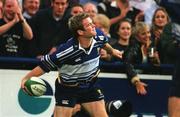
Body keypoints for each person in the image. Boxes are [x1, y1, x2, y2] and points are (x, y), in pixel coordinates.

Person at [21, 13, 123, 117]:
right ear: (80, 32)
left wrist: (112, 51)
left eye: (92, 23)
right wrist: (26, 78)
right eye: (89, 25)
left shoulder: (98, 34)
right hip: (67, 89)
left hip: (90, 86)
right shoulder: (66, 51)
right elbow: (44, 66)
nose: (93, 26)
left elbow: (104, 43)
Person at [123, 22, 160, 95]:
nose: (147, 36)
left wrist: (156, 60)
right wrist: (136, 81)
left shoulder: (151, 46)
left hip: (149, 81)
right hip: (132, 83)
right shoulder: (133, 46)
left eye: (148, 32)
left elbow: (155, 65)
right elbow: (127, 62)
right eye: (143, 34)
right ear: (136, 36)